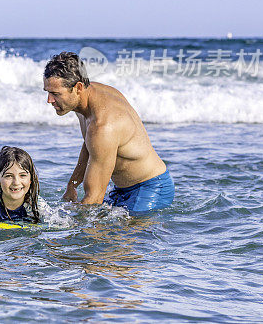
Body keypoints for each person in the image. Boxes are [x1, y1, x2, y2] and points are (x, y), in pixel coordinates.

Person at [43, 51, 174, 213]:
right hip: (121, 190)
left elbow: (94, 199)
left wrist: (63, 232)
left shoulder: (103, 125)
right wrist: (72, 185)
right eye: (47, 92)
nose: (49, 100)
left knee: (112, 235)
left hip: (150, 188)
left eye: (55, 94)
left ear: (78, 87)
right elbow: (90, 144)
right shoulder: (82, 99)